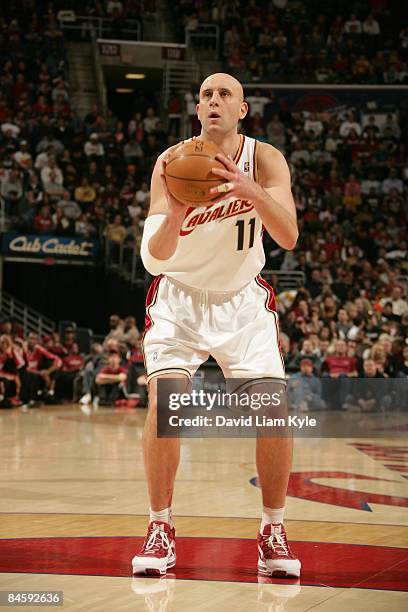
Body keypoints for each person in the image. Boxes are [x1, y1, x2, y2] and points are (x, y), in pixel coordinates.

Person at [132, 73, 300, 578]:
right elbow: (152, 259)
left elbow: (288, 236)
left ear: (242, 109)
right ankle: (160, 527)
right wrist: (177, 212)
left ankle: (273, 529)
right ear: (197, 108)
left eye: (224, 94)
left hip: (241, 302)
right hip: (179, 299)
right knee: (167, 403)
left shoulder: (265, 159)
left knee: (274, 407)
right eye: (205, 94)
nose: (213, 101)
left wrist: (252, 190)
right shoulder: (173, 162)